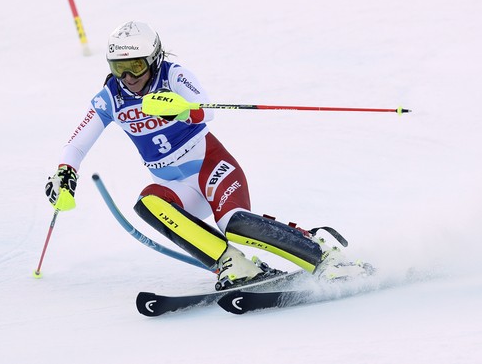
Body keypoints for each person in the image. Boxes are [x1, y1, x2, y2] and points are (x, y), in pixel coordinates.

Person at [45, 21, 370, 289]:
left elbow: (205, 110)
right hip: (178, 188)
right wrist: (65, 172)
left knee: (233, 223)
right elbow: (76, 144)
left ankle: (325, 256)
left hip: (212, 168)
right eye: (119, 68)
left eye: (136, 66)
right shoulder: (111, 98)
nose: (129, 78)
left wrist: (180, 111)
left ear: (154, 58)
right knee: (147, 203)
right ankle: (233, 263)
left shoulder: (173, 75)